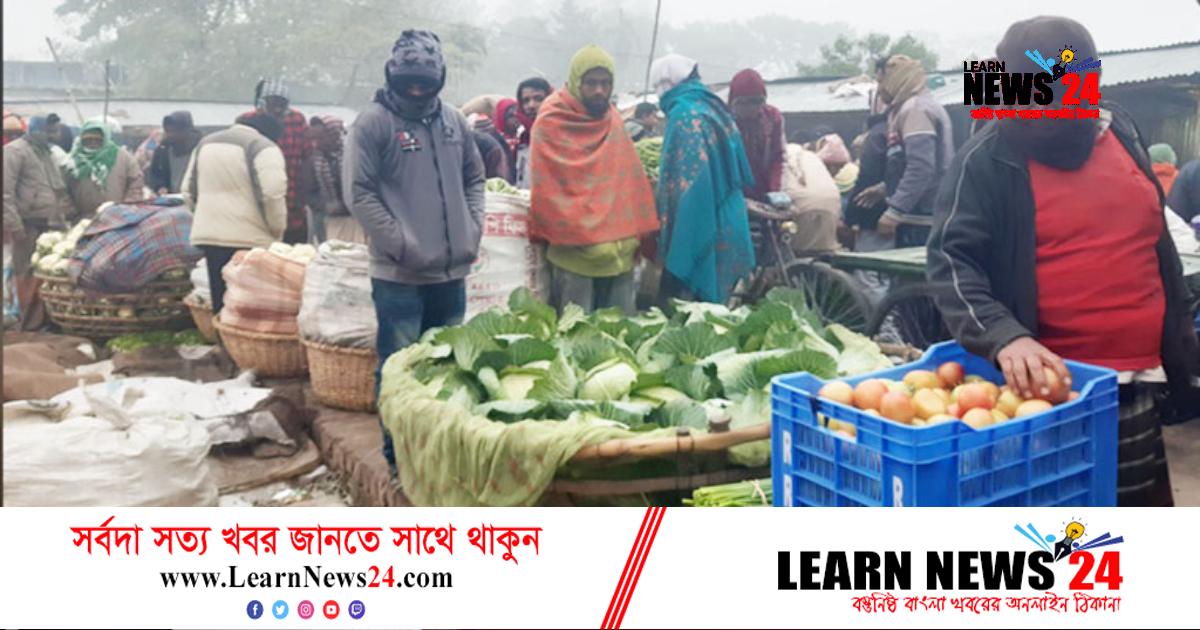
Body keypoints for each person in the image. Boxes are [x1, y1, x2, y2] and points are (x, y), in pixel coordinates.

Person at [927, 16, 1200, 506]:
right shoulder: (986, 157)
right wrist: (1005, 336)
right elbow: (951, 261)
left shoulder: (1120, 132)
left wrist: (1180, 340)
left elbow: (1155, 241)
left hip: (1138, 384)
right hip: (1050, 397)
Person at [344, 29, 485, 475]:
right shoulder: (373, 123)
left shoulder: (453, 122)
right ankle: (399, 457)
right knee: (399, 369)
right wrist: (401, 244)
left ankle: (437, 454)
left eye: (426, 81)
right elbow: (359, 193)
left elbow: (474, 179)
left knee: (445, 368)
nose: (418, 90)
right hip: (399, 276)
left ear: (440, 77)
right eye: (409, 83)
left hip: (451, 274)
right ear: (393, 76)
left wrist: (472, 229)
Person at [529, 45, 660, 315]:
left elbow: (627, 180)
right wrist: (589, 233)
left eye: (606, 83)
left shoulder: (611, 118)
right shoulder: (552, 119)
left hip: (620, 255)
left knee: (621, 338)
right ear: (577, 82)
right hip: (575, 255)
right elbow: (550, 191)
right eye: (591, 83)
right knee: (578, 339)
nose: (600, 90)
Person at [650, 54, 755, 305]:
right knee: (722, 316)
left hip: (703, 223)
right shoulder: (711, 105)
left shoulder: (685, 114)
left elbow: (689, 187)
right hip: (730, 214)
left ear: (667, 82)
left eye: (657, 87)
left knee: (697, 312)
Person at [182, 113, 287, 315]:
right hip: (250, 240)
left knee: (220, 300)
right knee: (248, 305)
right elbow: (273, 193)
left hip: (210, 236)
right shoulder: (264, 146)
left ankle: (222, 341)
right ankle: (242, 345)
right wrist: (277, 230)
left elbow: (187, 190)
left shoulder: (205, 143)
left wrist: (203, 217)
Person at [875, 54, 954, 247]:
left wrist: (895, 210)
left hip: (922, 215)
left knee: (914, 275)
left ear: (896, 79)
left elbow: (922, 167)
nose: (880, 88)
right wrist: (885, 187)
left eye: (882, 80)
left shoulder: (915, 110)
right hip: (921, 211)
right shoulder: (915, 107)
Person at [3, 115, 73, 330]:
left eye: (55, 130)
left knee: (45, 273)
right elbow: (5, 193)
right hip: (27, 222)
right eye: (49, 130)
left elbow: (56, 189)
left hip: (49, 223)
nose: (53, 135)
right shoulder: (15, 151)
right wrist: (15, 226)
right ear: (36, 129)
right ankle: (28, 324)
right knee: (26, 272)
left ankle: (44, 320)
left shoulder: (47, 153)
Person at [238, 78, 310, 243]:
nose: (277, 108)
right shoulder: (247, 121)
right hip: (257, 202)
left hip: (292, 200)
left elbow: (307, 157)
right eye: (273, 103)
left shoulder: (297, 120)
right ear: (262, 102)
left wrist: (303, 194)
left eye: (282, 103)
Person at [64, 118, 144, 220]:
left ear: (105, 139)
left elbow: (135, 183)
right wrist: (72, 214)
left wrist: (127, 208)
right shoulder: (71, 162)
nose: (93, 143)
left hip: (118, 218)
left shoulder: (123, 158)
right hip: (83, 221)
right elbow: (62, 190)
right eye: (88, 140)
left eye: (98, 140)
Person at [303, 115, 364, 244]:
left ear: (334, 135)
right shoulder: (312, 160)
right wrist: (325, 206)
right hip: (328, 220)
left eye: (321, 138)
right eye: (314, 138)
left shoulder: (356, 155)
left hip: (358, 219)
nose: (315, 143)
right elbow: (308, 193)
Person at [728, 68, 785, 203]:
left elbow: (778, 157)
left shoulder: (772, 118)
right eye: (743, 103)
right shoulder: (724, 121)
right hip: (732, 191)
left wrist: (775, 191)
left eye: (756, 102)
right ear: (733, 103)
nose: (750, 108)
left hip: (764, 190)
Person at [146, 111, 201, 195]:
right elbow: (154, 175)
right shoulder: (162, 151)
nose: (170, 135)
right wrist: (160, 187)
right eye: (168, 131)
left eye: (174, 131)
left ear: (186, 131)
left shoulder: (201, 150)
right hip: (171, 201)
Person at [513, 77, 552, 189]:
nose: (531, 106)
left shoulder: (561, 137)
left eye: (538, 99)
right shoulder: (523, 139)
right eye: (526, 101)